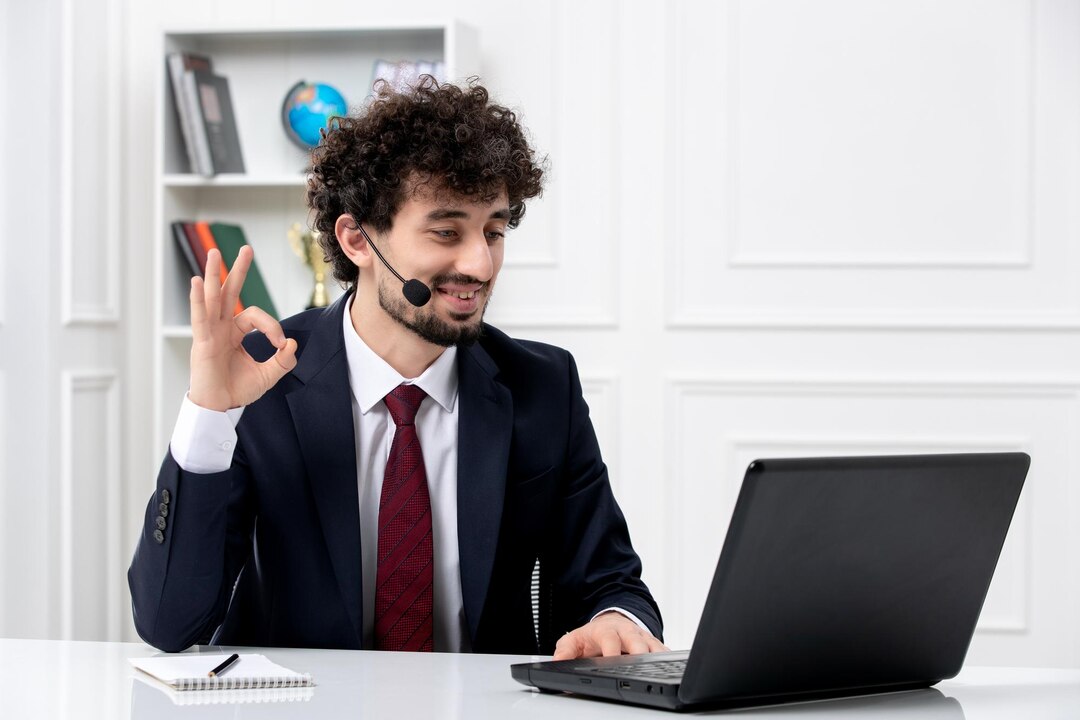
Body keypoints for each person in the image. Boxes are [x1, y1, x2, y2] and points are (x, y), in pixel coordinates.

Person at [129, 77, 665, 658]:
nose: (481, 264)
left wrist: (615, 619)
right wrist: (210, 413)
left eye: (494, 231)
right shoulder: (264, 374)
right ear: (357, 239)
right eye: (446, 232)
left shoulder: (542, 386)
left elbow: (612, 583)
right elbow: (168, 622)